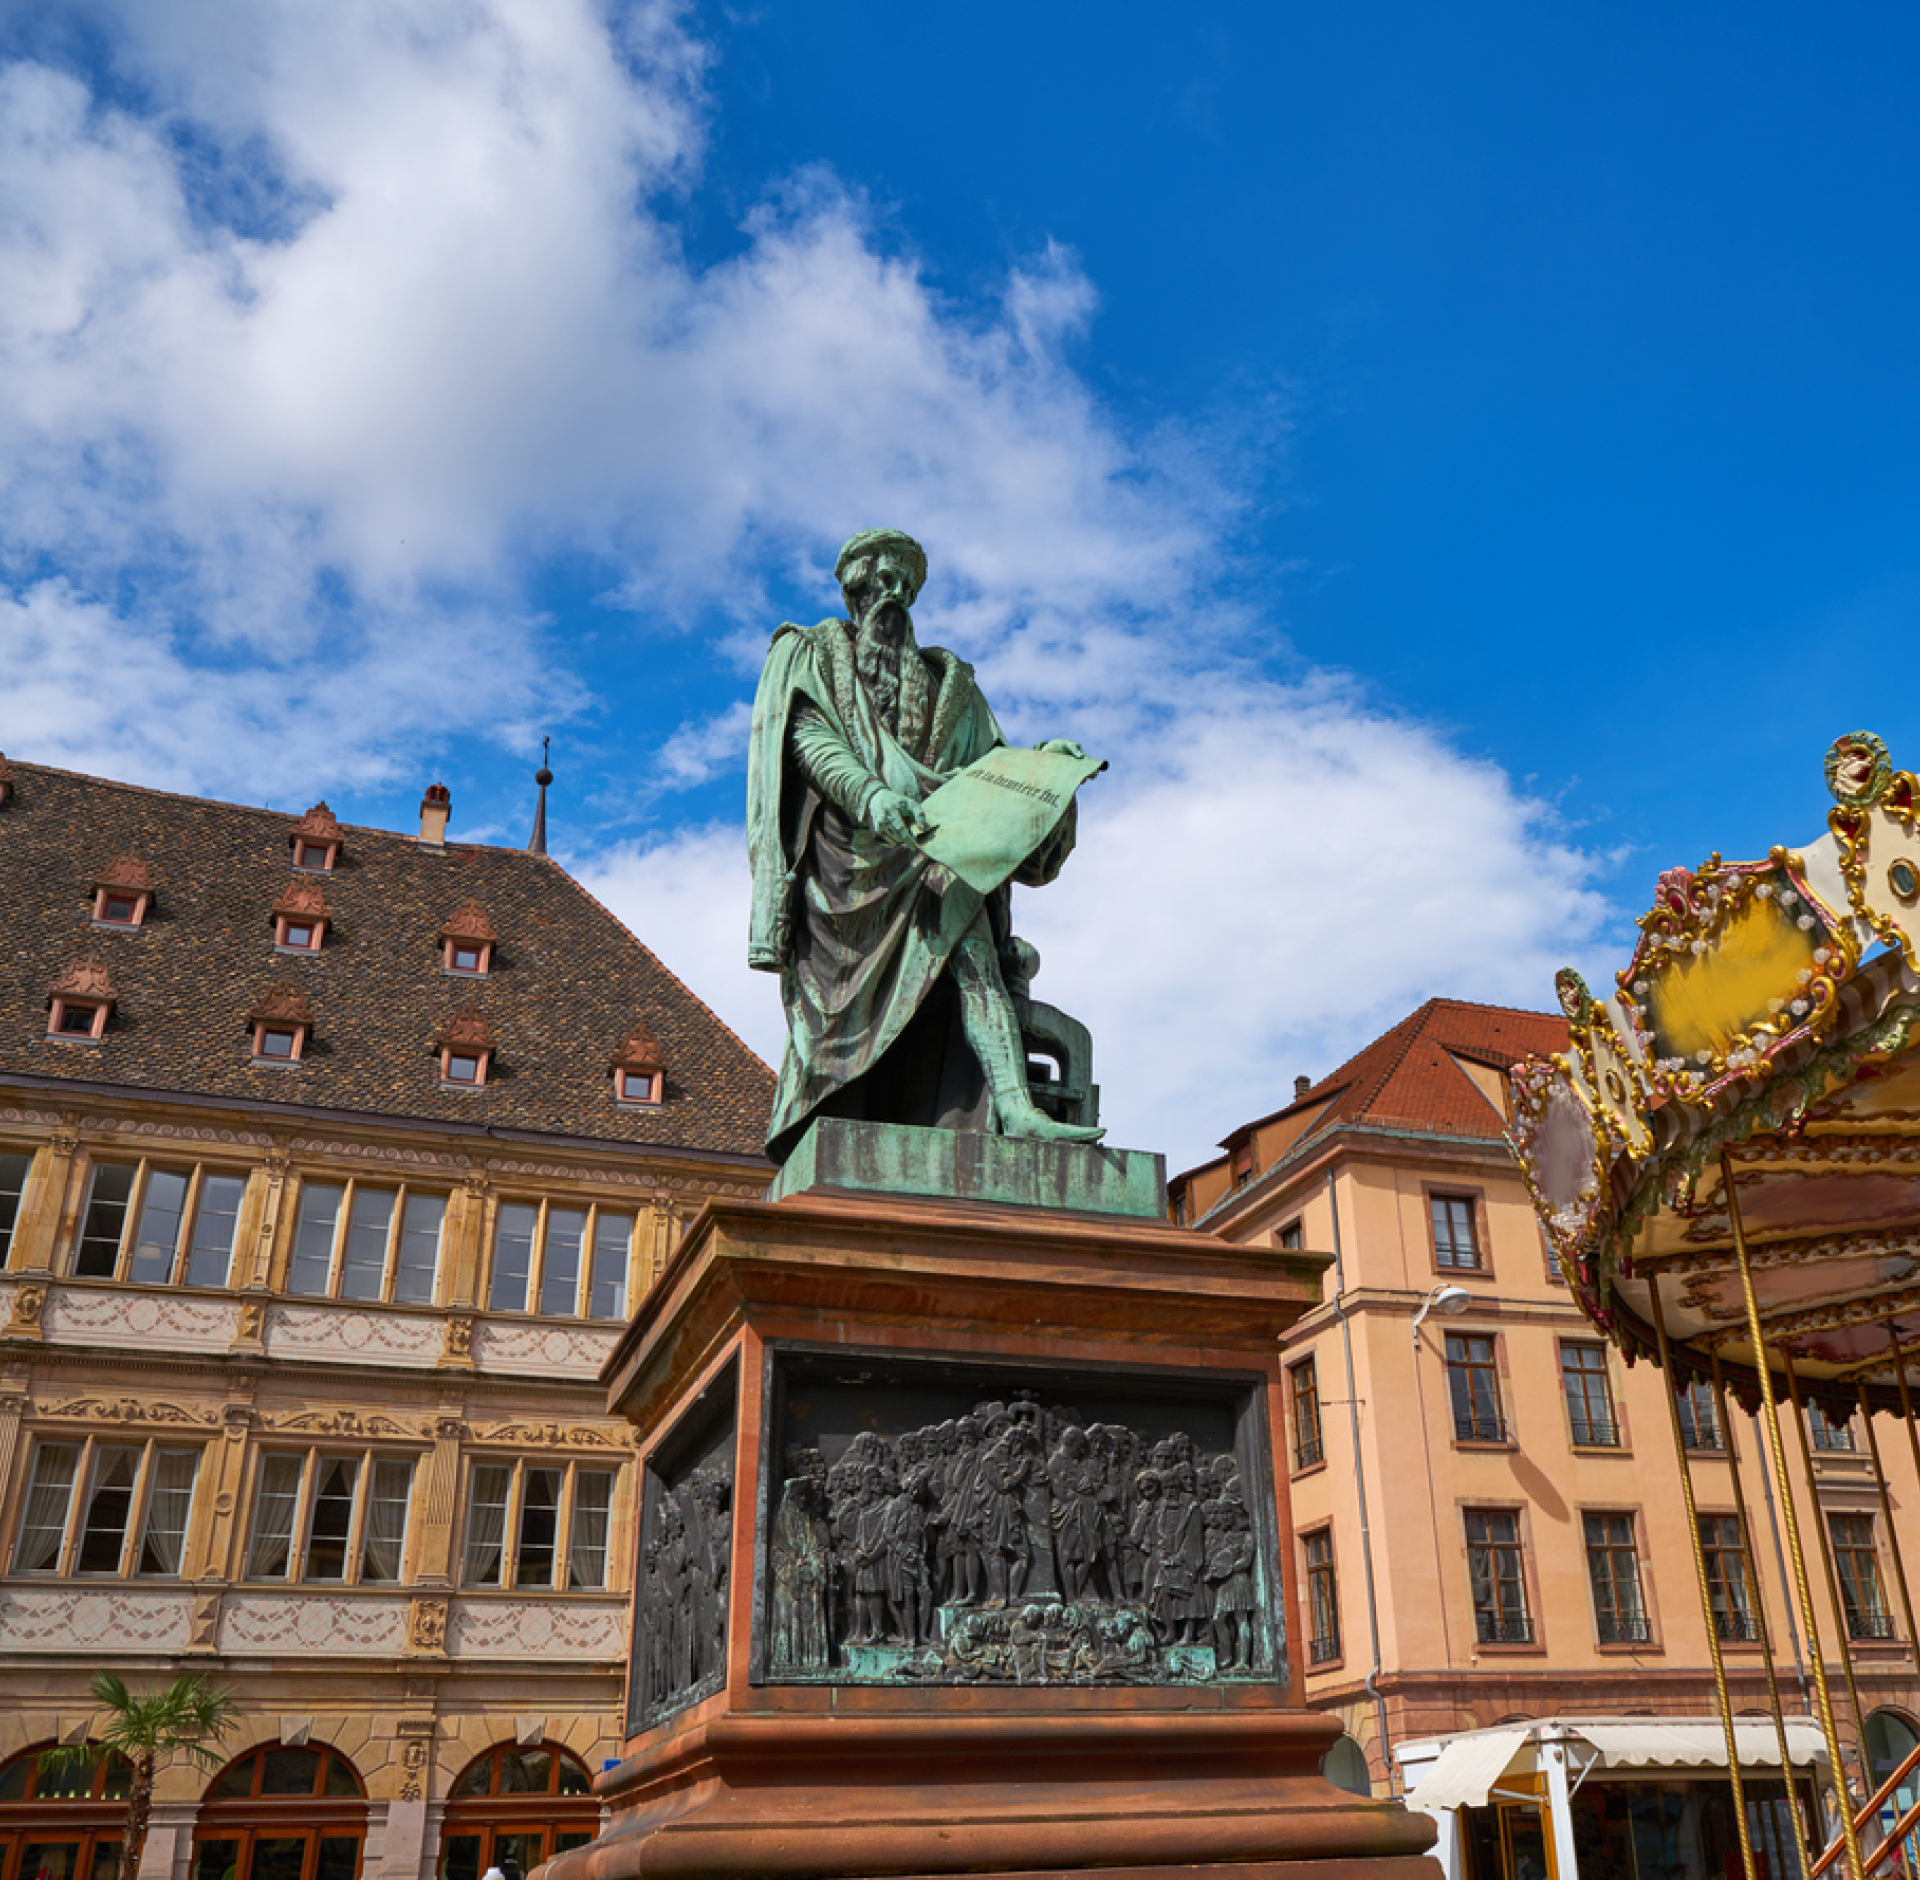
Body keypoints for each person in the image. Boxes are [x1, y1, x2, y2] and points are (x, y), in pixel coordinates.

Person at [747, 527, 1104, 1162]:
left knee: (973, 948)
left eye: (905, 581)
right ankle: (847, 1114)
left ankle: (1017, 1109)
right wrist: (871, 797)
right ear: (852, 585)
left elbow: (991, 770)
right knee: (929, 956)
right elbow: (807, 739)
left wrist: (1044, 766)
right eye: (879, 577)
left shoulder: (950, 682)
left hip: (933, 850)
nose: (893, 592)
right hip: (850, 864)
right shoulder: (811, 653)